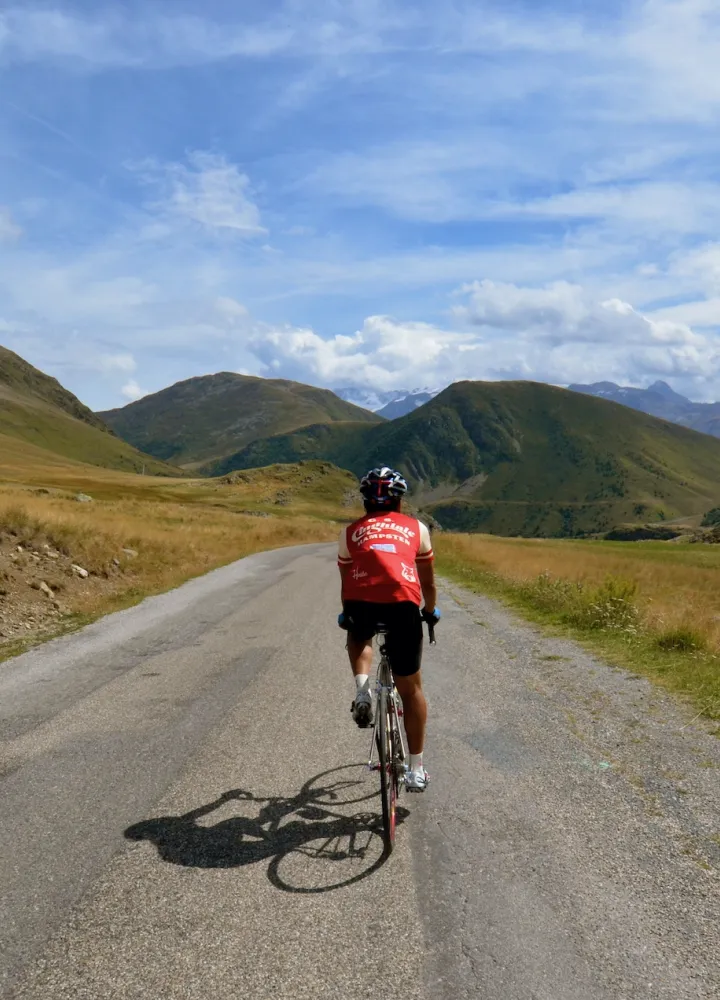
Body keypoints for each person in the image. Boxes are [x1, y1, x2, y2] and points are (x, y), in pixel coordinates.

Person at [337, 466, 440, 792]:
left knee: (359, 633)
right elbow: (428, 583)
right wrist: (429, 611)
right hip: (403, 606)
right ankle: (416, 770)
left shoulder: (350, 532)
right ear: (399, 499)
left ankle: (363, 689)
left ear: (365, 500)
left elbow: (346, 584)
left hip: (361, 604)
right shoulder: (417, 528)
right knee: (411, 690)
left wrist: (346, 614)